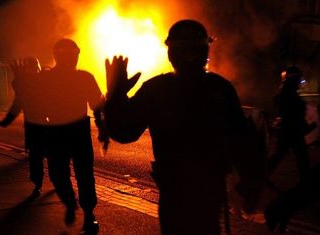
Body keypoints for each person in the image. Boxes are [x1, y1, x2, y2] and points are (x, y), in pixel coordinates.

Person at [104, 20, 265, 234]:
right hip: (205, 190)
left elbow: (124, 132)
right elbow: (240, 142)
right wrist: (249, 183)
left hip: (176, 192)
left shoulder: (157, 89)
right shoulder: (220, 88)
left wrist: (116, 96)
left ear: (171, 54)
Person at [37, 38, 105, 234]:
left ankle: (88, 213)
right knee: (60, 174)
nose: (70, 59)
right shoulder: (47, 78)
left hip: (74, 130)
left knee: (83, 173)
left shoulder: (84, 77)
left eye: (72, 55)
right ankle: (71, 203)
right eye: (67, 55)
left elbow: (96, 106)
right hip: (59, 130)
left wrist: (101, 128)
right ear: (57, 56)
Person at [0, 57, 47, 195]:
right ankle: (38, 184)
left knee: (54, 156)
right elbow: (18, 103)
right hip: (33, 126)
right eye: (28, 69)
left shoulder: (45, 80)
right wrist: (7, 120)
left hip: (49, 125)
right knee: (36, 157)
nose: (31, 71)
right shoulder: (25, 84)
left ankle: (59, 180)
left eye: (32, 68)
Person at [267, 66, 314, 183]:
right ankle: (306, 179)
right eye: (298, 79)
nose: (299, 82)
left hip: (290, 129)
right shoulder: (287, 93)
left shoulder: (288, 92)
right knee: (300, 156)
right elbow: (292, 112)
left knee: (282, 155)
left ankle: (260, 177)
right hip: (291, 129)